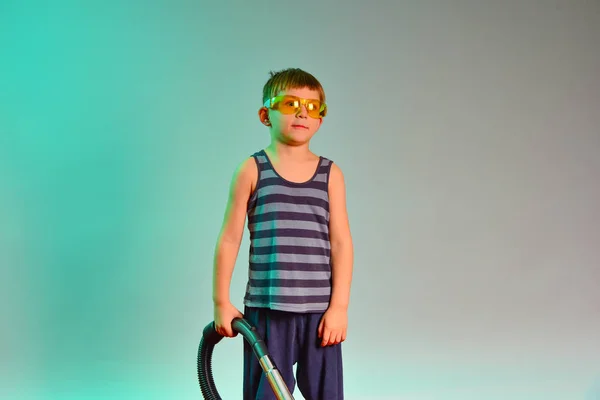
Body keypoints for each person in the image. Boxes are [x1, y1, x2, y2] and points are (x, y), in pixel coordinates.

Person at [212, 68, 354, 399]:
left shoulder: (330, 174)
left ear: (320, 118)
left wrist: (340, 307)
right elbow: (230, 238)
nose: (303, 112)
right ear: (266, 115)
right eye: (290, 104)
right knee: (266, 394)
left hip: (319, 312)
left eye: (313, 106)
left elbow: (341, 244)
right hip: (267, 310)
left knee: (327, 394)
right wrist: (221, 301)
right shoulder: (251, 170)